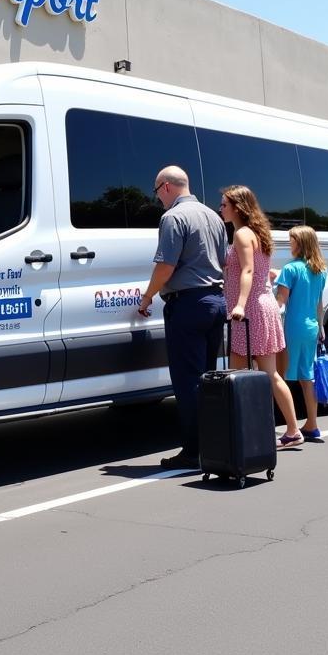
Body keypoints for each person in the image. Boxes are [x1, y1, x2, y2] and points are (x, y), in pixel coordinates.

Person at [137, 166, 228, 470]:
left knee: (188, 382)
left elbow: (165, 267)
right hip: (216, 301)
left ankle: (193, 451)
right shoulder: (213, 216)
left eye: (156, 191)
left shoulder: (172, 218)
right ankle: (212, 446)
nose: (158, 198)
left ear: (165, 187)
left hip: (188, 304)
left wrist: (148, 295)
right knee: (207, 378)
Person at [219, 185, 302, 448]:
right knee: (265, 374)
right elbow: (259, 270)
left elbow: (247, 271)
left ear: (237, 208)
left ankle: (249, 431)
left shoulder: (242, 234)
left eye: (224, 204)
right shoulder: (257, 233)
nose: (221, 208)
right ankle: (290, 429)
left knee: (242, 374)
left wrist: (240, 305)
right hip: (262, 306)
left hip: (251, 311)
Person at [274, 225, 328, 441]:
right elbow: (319, 304)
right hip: (312, 327)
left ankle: (290, 427)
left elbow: (280, 302)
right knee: (307, 376)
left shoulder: (290, 269)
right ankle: (312, 424)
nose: (290, 243)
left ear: (301, 243)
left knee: (280, 375)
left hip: (293, 328)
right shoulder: (320, 270)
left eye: (292, 240)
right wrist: (321, 325)